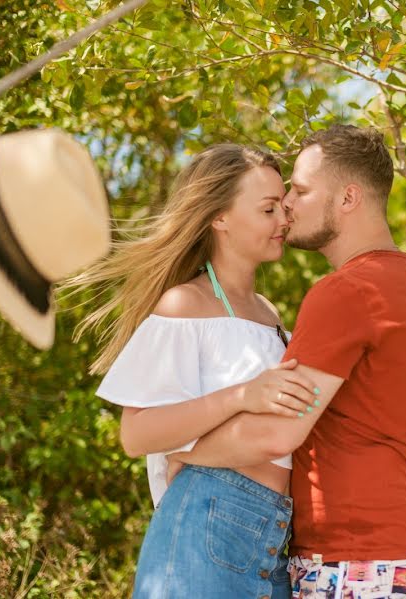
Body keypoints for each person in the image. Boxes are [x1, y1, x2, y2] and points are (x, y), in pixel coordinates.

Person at [166, 125, 406, 598]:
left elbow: (278, 433)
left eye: (302, 188)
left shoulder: (348, 291)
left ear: (349, 198)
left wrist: (178, 450)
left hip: (356, 560)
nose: (289, 202)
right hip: (392, 556)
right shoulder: (404, 285)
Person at [63, 144, 321, 598]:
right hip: (206, 526)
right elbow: (136, 434)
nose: (284, 219)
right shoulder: (184, 304)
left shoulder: (269, 314)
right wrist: (242, 396)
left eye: (282, 206)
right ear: (219, 218)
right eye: (267, 209)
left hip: (273, 536)